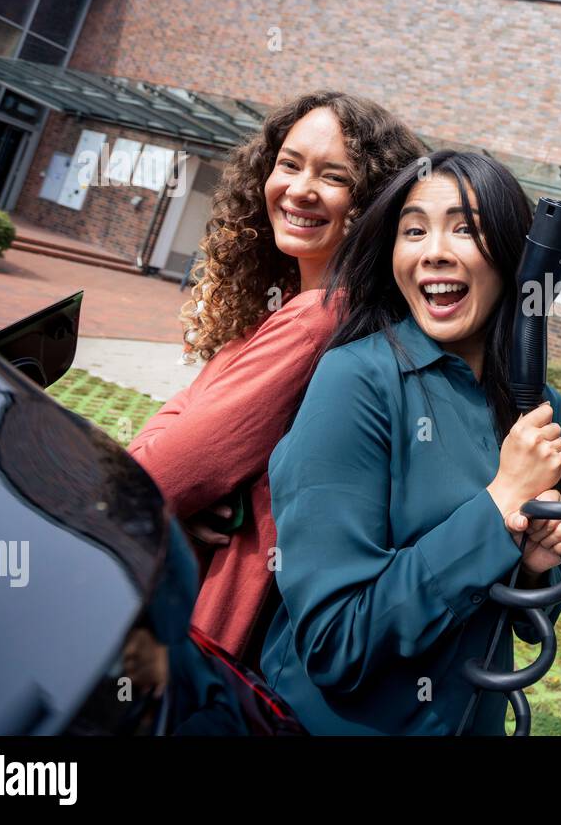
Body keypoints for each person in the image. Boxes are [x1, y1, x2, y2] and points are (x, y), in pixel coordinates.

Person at [260, 150, 561, 735]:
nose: (434, 250)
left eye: (466, 229)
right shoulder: (357, 382)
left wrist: (535, 569)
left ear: (516, 258)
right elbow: (337, 643)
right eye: (414, 230)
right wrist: (497, 506)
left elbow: (520, 617)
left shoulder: (539, 408)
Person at [128, 90, 423, 665]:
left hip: (208, 624)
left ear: (372, 203)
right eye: (289, 164)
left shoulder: (320, 318)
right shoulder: (309, 300)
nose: (300, 189)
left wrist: (174, 451)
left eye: (334, 176)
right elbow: (190, 421)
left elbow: (154, 476)